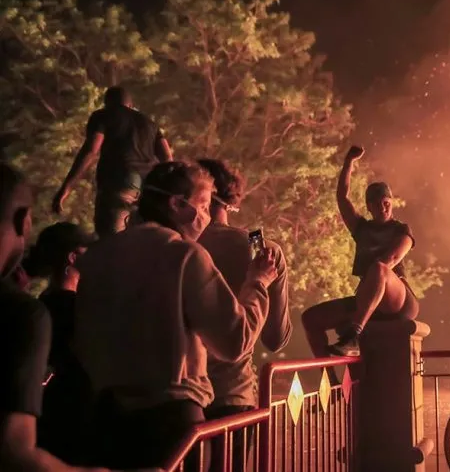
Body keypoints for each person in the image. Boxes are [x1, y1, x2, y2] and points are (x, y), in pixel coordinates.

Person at [73, 161, 273, 470]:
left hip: (105, 416)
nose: (205, 217)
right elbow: (234, 341)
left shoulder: (98, 256)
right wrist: (257, 282)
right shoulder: (184, 255)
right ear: (178, 204)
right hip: (169, 421)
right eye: (203, 205)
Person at [0, 163, 109, 472]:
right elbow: (14, 451)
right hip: (69, 429)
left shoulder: (41, 304)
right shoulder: (29, 314)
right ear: (23, 221)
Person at [197, 158, 291, 472]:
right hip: (232, 392)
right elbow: (275, 338)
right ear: (232, 198)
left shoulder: (176, 244)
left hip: (179, 392)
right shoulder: (257, 246)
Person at [301, 146, 419, 358]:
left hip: (397, 300)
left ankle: (354, 335)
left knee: (379, 268)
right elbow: (342, 197)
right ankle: (329, 379)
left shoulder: (401, 230)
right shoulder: (361, 228)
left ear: (391, 203)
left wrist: (359, 305)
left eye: (386, 203)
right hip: (367, 298)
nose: (383, 208)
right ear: (369, 207)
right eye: (377, 204)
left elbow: (392, 259)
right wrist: (348, 162)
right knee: (310, 318)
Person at [52, 86, 173, 238]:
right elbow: (168, 159)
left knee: (110, 244)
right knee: (137, 246)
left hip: (120, 182)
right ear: (130, 104)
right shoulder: (150, 123)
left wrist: (66, 188)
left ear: (108, 103)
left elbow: (91, 150)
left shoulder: (103, 116)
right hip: (146, 190)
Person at [22, 222, 96, 464]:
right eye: (88, 252)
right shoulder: (77, 310)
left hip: (44, 414)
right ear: (73, 257)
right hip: (73, 417)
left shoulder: (40, 305)